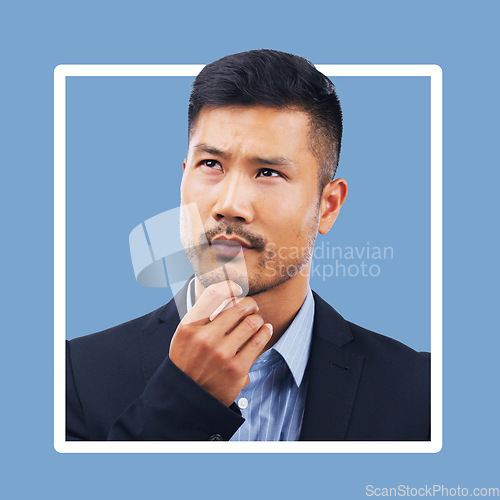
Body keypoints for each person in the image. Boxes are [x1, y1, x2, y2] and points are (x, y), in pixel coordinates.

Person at [66, 49, 430, 441]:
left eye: (268, 172)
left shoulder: (422, 393)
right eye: (211, 165)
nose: (229, 205)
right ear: (184, 175)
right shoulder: (75, 376)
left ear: (328, 207)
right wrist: (182, 401)